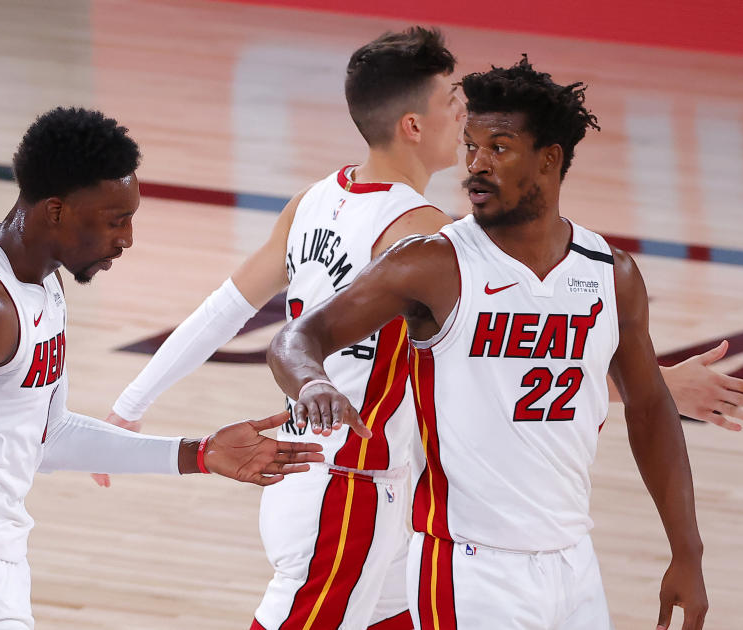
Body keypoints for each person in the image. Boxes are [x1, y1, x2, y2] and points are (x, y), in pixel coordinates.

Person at [100, 32, 743, 630]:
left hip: (340, 479)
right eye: (456, 108)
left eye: (489, 139)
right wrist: (654, 384)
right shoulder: (429, 243)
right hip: (359, 481)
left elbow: (226, 306)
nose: (465, 128)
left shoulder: (320, 198)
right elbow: (479, 366)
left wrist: (130, 405)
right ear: (415, 124)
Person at [267, 57, 711, 629]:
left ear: (549, 159)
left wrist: (688, 552)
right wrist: (312, 380)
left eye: (499, 149)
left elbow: (650, 410)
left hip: (574, 560)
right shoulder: (433, 263)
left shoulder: (610, 272)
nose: (475, 165)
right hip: (468, 565)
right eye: (471, 146)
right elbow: (298, 336)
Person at [0, 107, 323, 630]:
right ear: (56, 211)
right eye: (114, 220)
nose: (127, 238)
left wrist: (199, 454)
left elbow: (47, 437)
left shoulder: (39, 281)